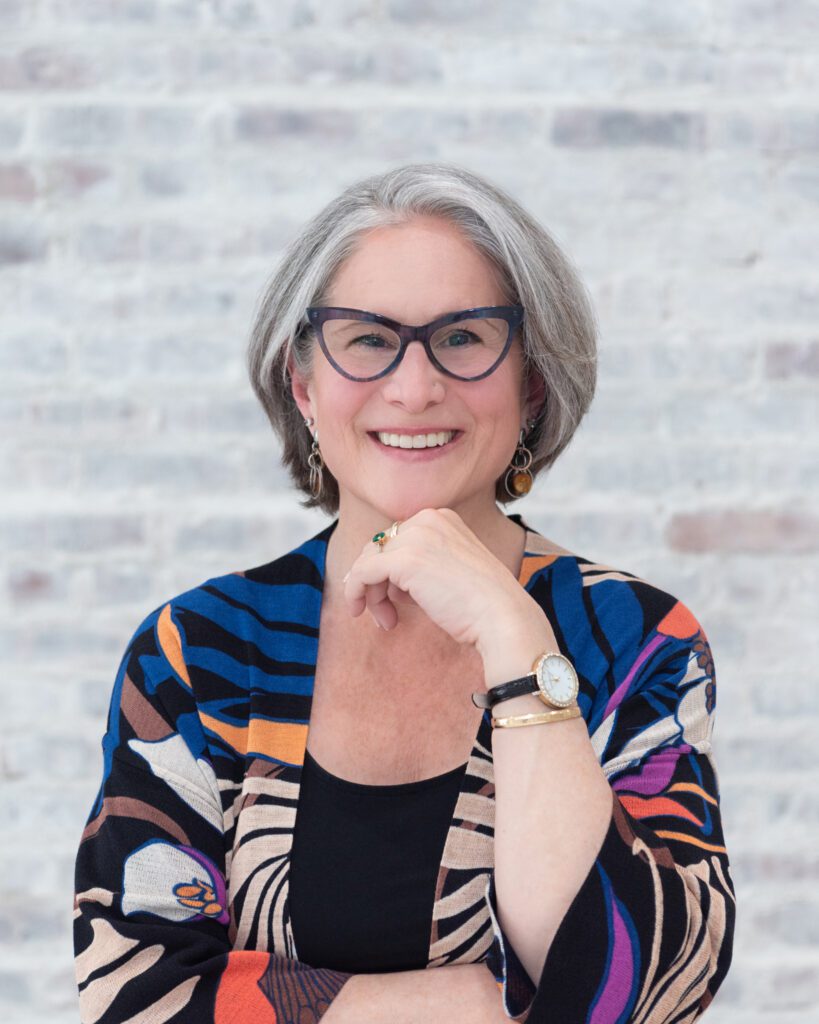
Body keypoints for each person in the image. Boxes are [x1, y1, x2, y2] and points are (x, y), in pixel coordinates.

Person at [73, 163, 734, 1024]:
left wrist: (516, 639)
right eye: (365, 338)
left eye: (464, 337)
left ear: (530, 384)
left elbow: (644, 988)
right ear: (303, 385)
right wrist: (502, 1005)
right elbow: (136, 997)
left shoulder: (634, 637)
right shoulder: (199, 648)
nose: (414, 386)